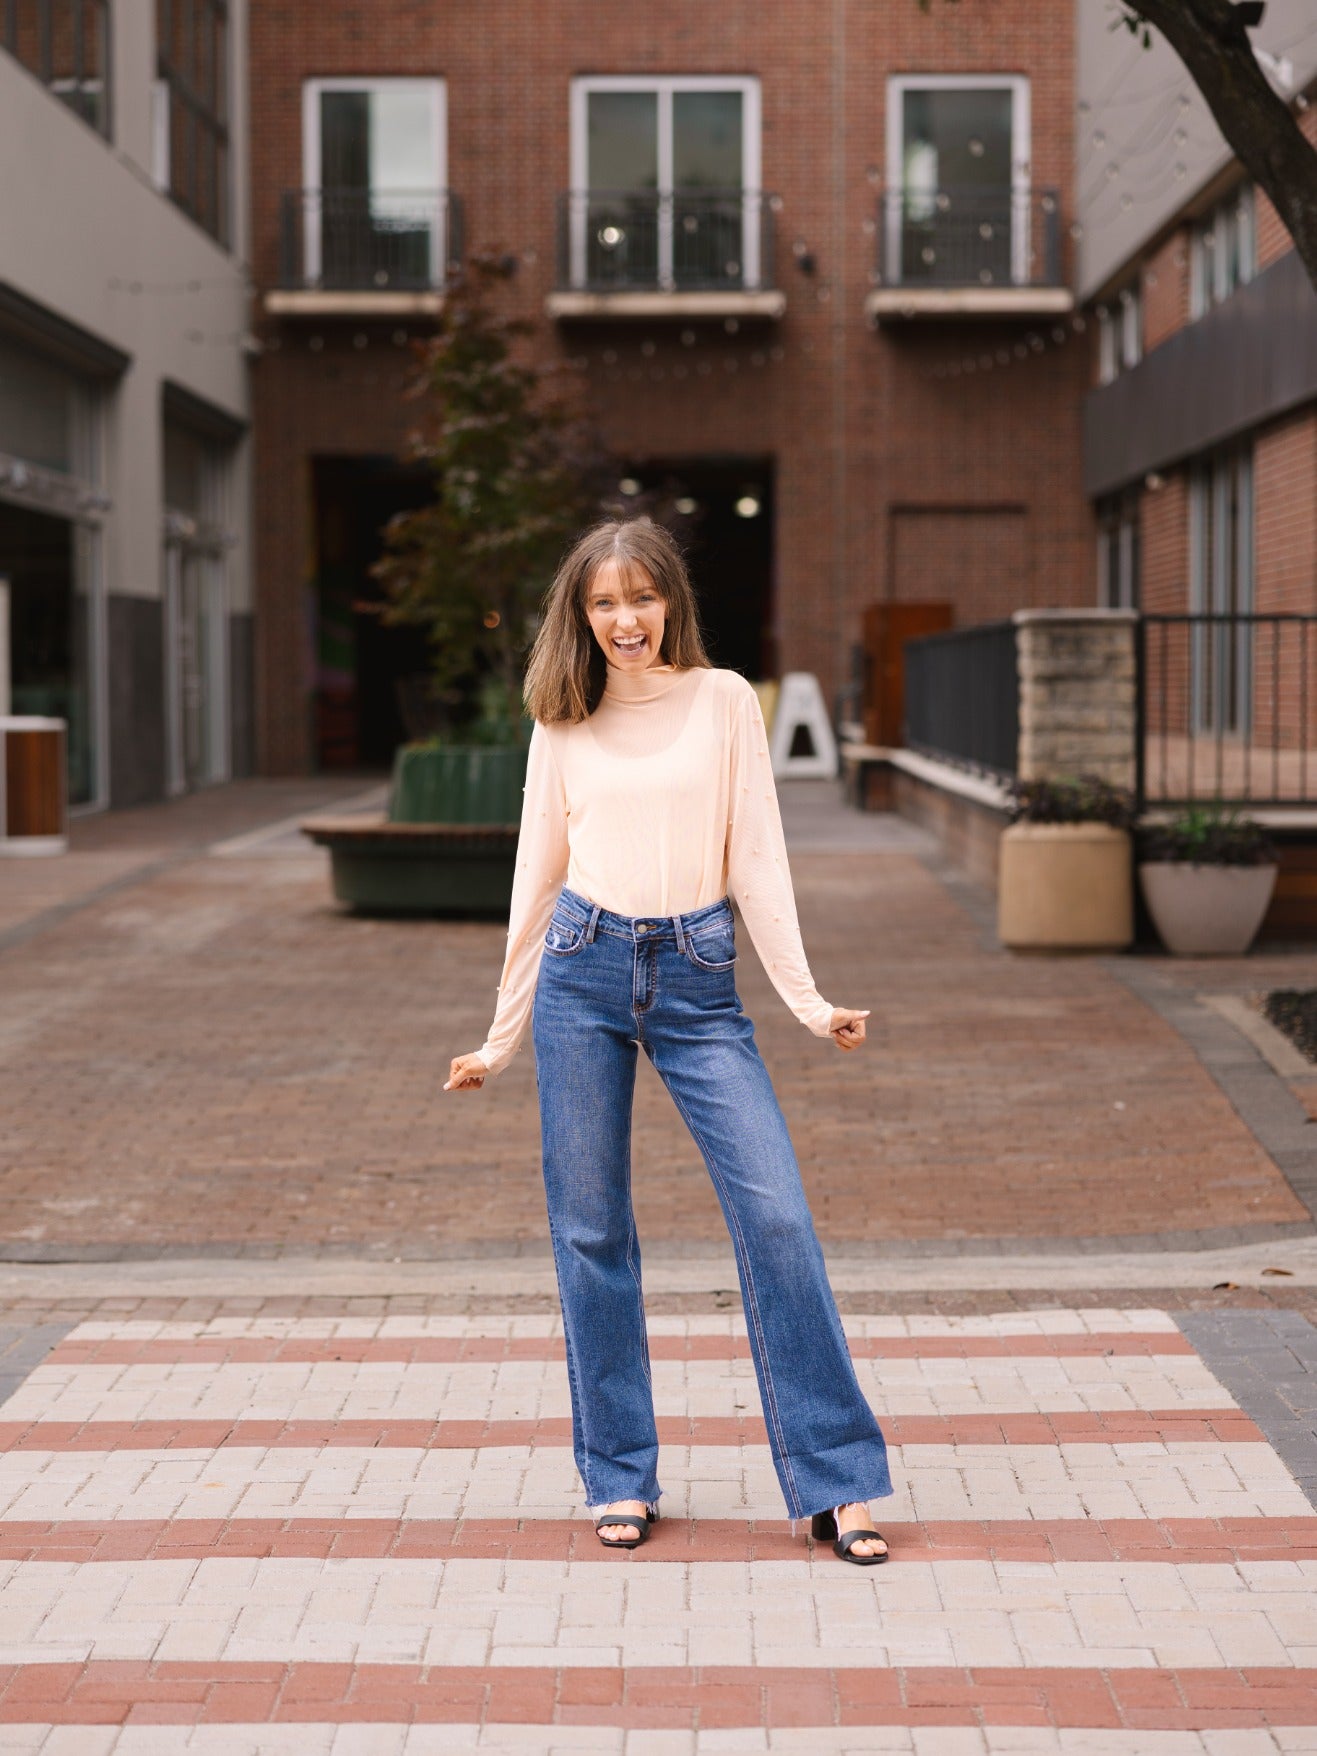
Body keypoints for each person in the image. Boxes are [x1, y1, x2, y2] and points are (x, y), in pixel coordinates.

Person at [445, 517, 891, 1563]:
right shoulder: (563, 720)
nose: (623, 620)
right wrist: (499, 1034)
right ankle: (620, 1474)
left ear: (668, 601)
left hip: (697, 979)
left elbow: (760, 861)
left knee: (776, 1218)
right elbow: (535, 879)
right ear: (581, 614)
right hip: (581, 969)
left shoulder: (725, 702)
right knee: (592, 1231)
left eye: (639, 598)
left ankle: (835, 1483)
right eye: (603, 603)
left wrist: (809, 1000)